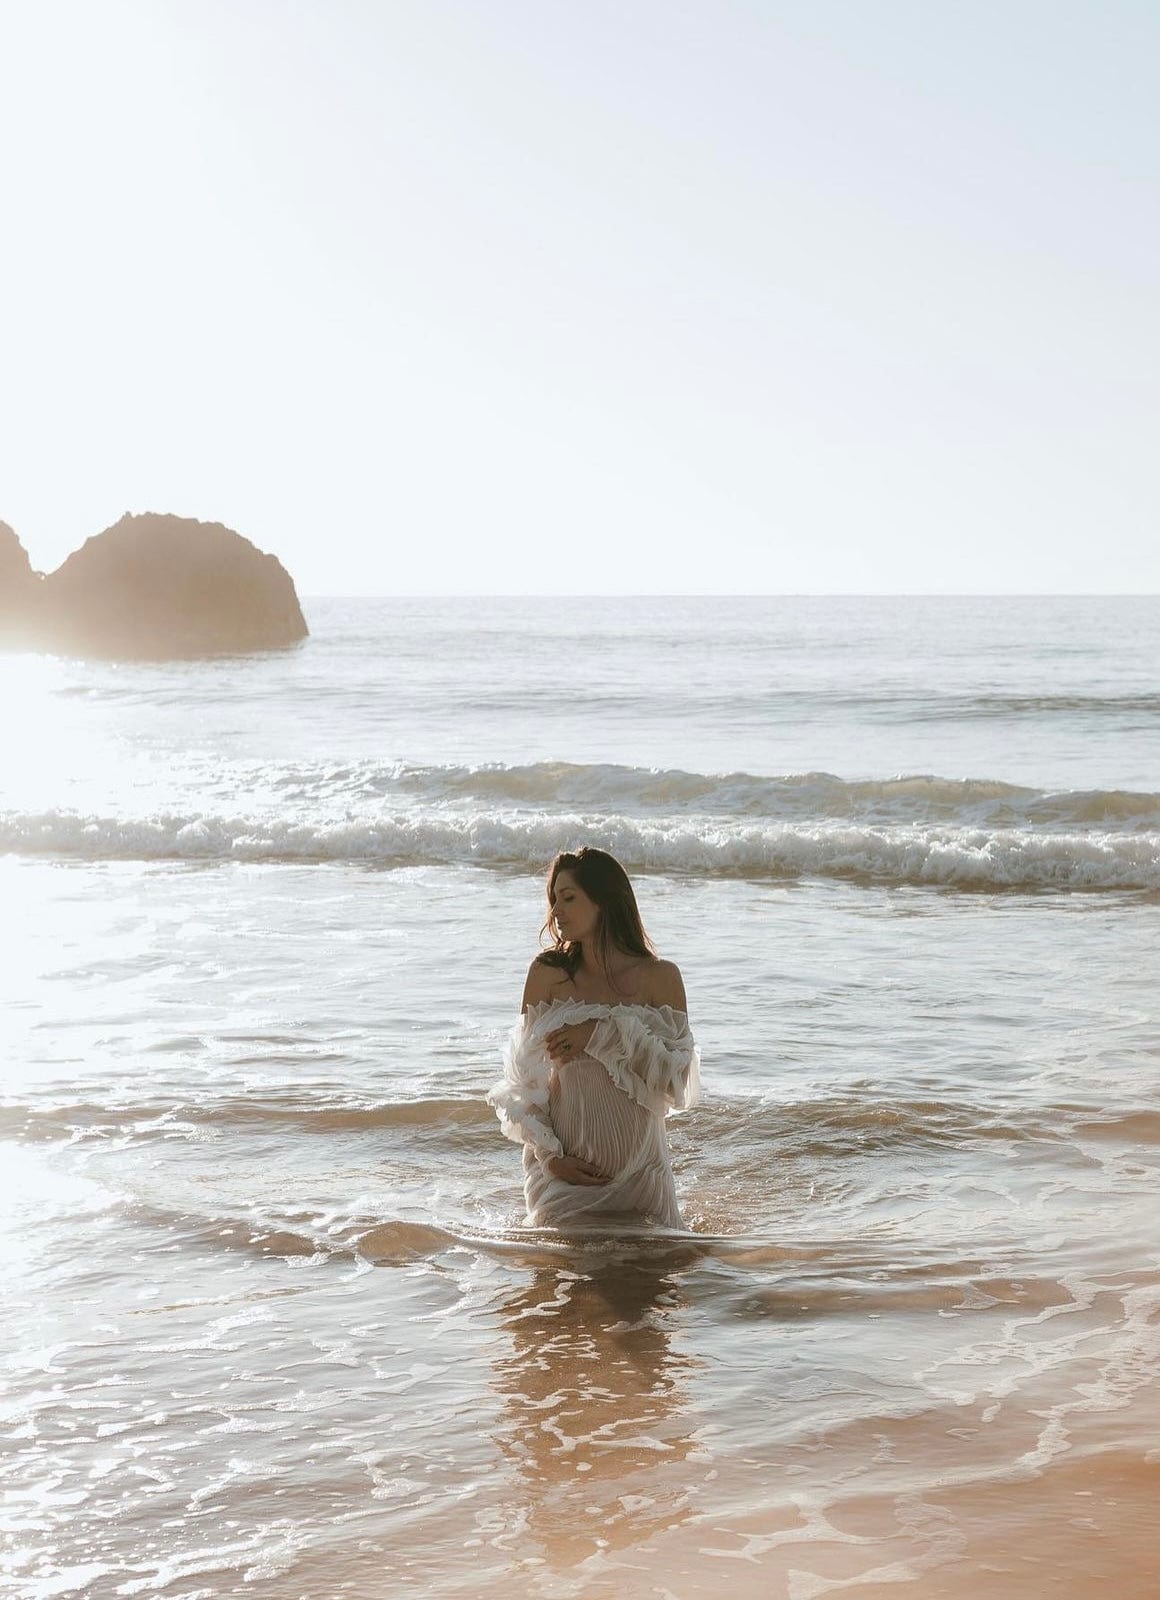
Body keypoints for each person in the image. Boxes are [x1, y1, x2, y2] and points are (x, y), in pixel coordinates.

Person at [487, 847, 700, 1229]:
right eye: (553, 900)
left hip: (642, 1179)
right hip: (564, 1179)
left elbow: (677, 1080)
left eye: (568, 898)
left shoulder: (661, 977)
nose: (555, 911)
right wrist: (550, 1157)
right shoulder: (548, 975)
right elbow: (522, 1084)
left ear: (604, 900)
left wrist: (599, 1035)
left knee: (650, 1285)